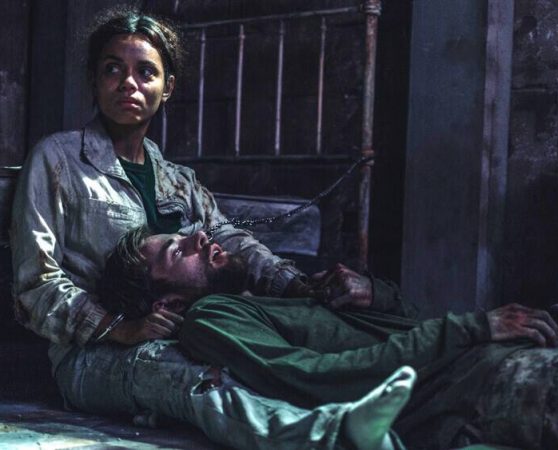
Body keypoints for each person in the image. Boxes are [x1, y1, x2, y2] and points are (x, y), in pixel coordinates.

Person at [10, 7, 411, 450]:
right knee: (191, 377)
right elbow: (35, 284)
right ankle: (333, 436)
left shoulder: (178, 180)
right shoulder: (59, 159)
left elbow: (231, 239)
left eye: (146, 72)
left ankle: (408, 404)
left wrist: (298, 286)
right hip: (91, 353)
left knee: (289, 345)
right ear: (94, 79)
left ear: (167, 88)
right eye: (112, 69)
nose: (129, 83)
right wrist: (120, 328)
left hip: (194, 332)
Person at [101, 226, 558, 449]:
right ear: (167, 300)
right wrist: (474, 327)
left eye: (186, 233)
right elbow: (326, 378)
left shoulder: (263, 294)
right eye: (174, 251)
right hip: (475, 384)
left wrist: (375, 295)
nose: (197, 239)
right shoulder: (213, 322)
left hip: (491, 354)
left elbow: (405, 321)